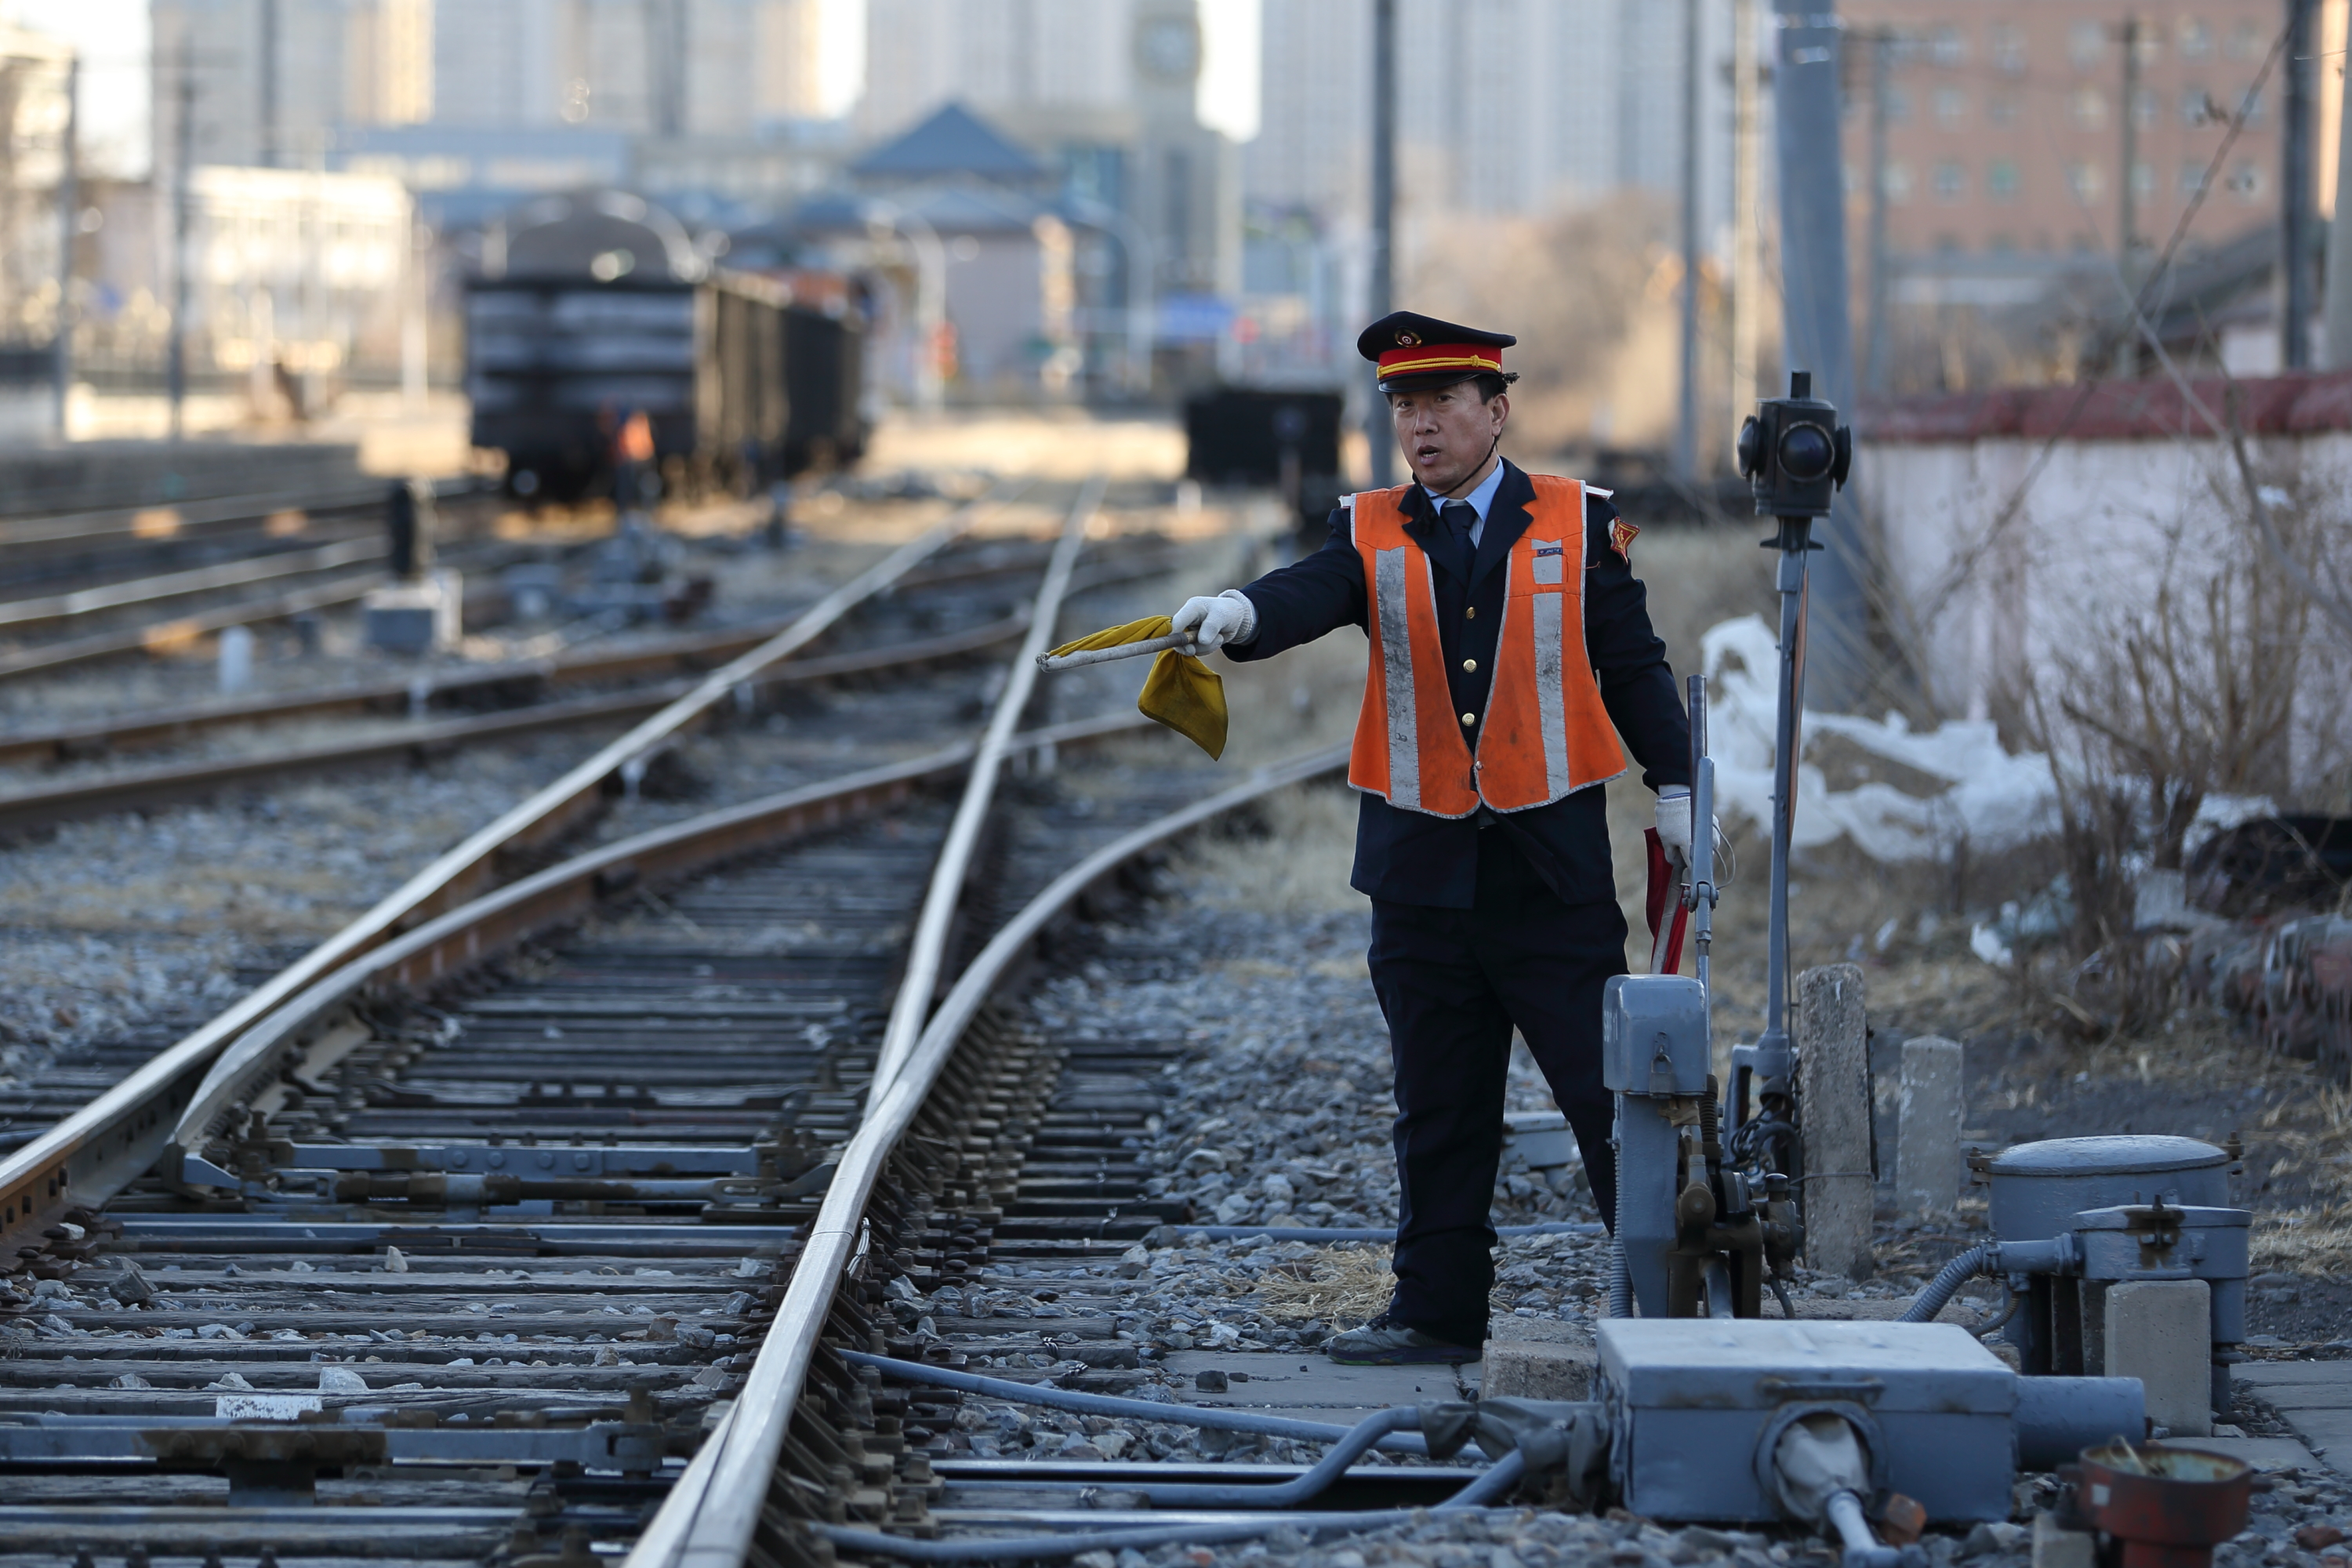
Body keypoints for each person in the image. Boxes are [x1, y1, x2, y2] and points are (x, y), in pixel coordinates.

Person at [1170, 312, 1696, 1366]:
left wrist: (1678, 782)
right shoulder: (1365, 528)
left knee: (1610, 1099)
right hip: (1419, 877)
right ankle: (1435, 1313)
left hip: (1550, 876)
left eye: (1444, 403)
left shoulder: (1577, 522)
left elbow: (1631, 662)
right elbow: (1311, 594)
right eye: (1405, 406)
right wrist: (1242, 612)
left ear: (1496, 411)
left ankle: (1680, 1309)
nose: (1422, 425)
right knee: (1439, 1107)